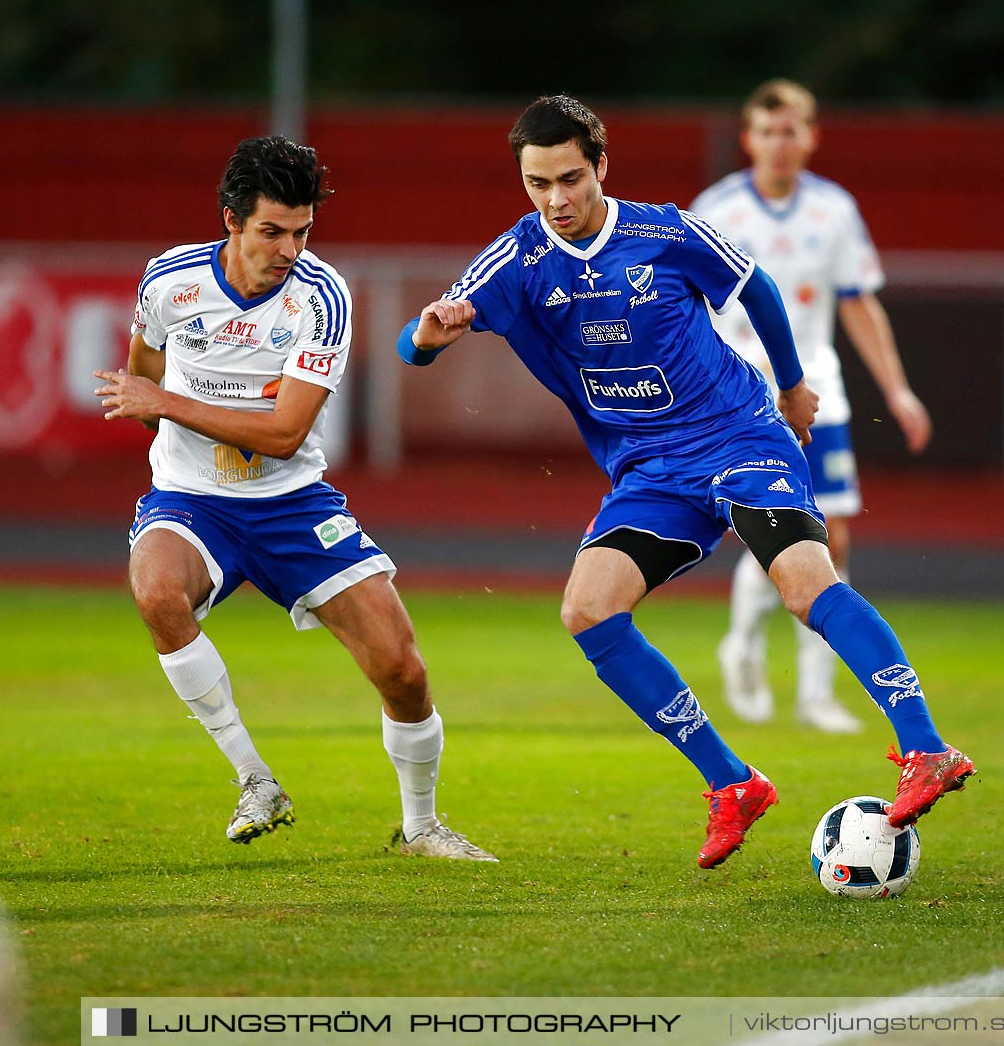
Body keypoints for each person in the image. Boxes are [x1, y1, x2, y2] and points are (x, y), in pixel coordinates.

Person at [399, 95, 974, 869]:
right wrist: (425, 337)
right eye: (538, 183)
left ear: (602, 165)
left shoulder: (663, 231)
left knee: (805, 585)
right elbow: (423, 336)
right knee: (588, 609)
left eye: (570, 178)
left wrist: (794, 386)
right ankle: (732, 783)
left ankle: (926, 748)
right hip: (649, 470)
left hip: (738, 436)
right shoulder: (517, 261)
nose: (556, 199)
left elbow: (758, 288)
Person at [94, 136, 495, 861]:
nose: (288, 248)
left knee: (403, 670)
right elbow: (141, 385)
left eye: (302, 231)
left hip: (292, 504)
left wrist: (170, 403)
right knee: (155, 593)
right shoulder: (168, 282)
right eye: (272, 231)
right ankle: (255, 778)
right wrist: (165, 408)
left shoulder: (322, 297)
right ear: (231, 221)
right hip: (192, 500)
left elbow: (282, 435)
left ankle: (421, 826)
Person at [692, 79, 932, 734]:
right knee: (769, 531)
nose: (779, 143)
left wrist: (897, 389)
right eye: (767, 131)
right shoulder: (715, 209)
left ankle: (816, 690)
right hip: (740, 397)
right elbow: (684, 307)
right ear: (749, 139)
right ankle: (742, 645)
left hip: (817, 390)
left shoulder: (834, 210)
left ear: (811, 137)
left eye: (791, 130)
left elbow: (857, 299)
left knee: (835, 534)